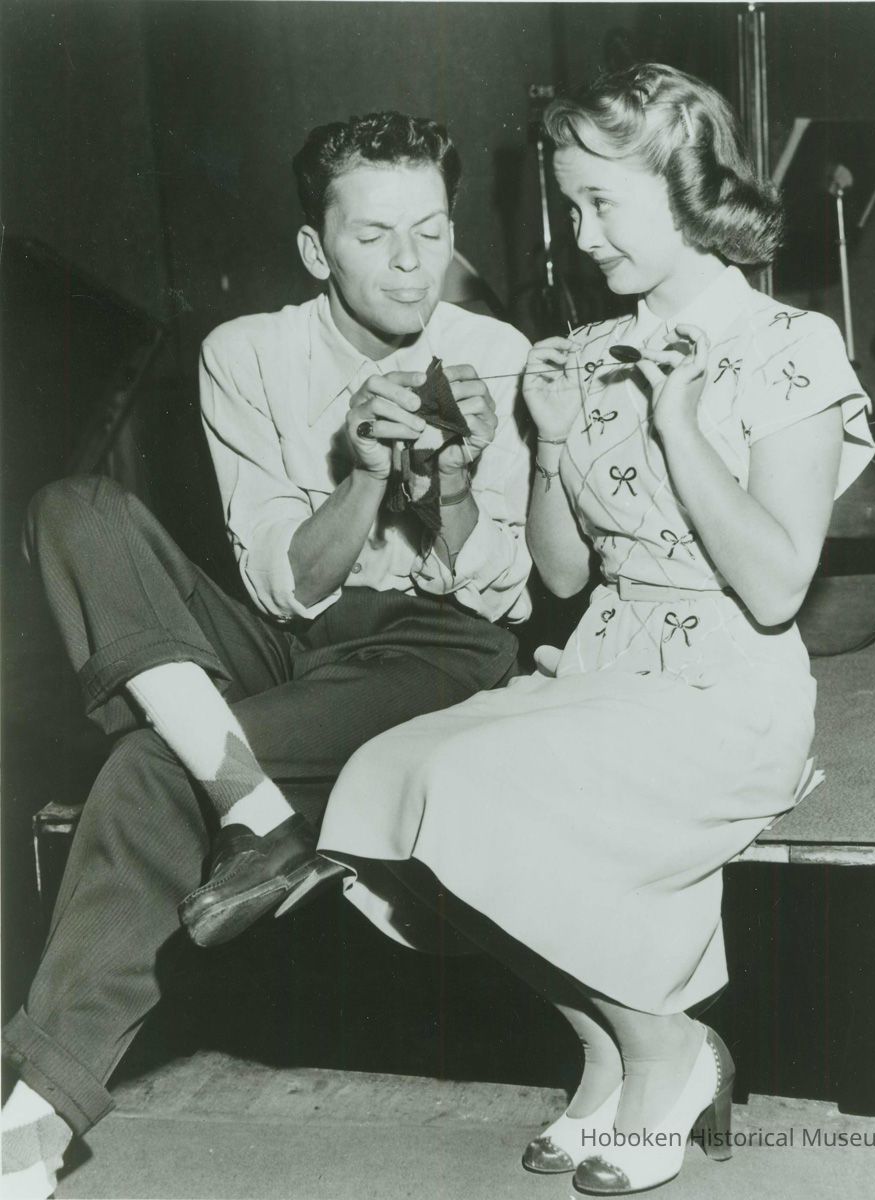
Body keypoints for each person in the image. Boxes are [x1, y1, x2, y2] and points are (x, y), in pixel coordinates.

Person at [315, 64, 875, 1196]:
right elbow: (562, 572)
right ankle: (608, 1047)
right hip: (604, 663)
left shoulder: (788, 349)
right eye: (567, 207)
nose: (577, 236)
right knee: (385, 776)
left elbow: (773, 588)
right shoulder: (574, 353)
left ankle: (666, 1046)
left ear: (684, 189)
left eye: (599, 204)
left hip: (725, 690)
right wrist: (558, 444)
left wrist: (677, 427)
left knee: (471, 790)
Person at [1, 111, 532, 1198]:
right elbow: (277, 582)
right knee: (75, 507)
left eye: (429, 231)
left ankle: (31, 1120)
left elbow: (505, 592)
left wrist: (457, 485)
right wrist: (368, 476)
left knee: (153, 764)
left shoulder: (497, 355)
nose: (407, 262)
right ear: (313, 249)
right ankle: (257, 813)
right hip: (287, 633)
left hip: (429, 642)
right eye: (373, 235)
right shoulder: (246, 352)